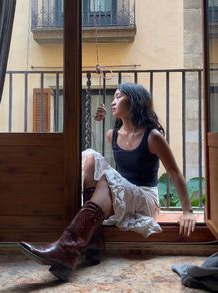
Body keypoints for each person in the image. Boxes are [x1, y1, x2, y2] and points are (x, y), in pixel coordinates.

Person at [18, 82, 196, 281]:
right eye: (114, 97)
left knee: (105, 177)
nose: (114, 101)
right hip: (121, 195)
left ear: (135, 101)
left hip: (146, 199)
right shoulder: (112, 135)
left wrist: (187, 211)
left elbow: (174, 172)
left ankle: (67, 248)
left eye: (119, 97)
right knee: (91, 157)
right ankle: (91, 244)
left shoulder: (152, 136)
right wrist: (99, 120)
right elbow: (98, 172)